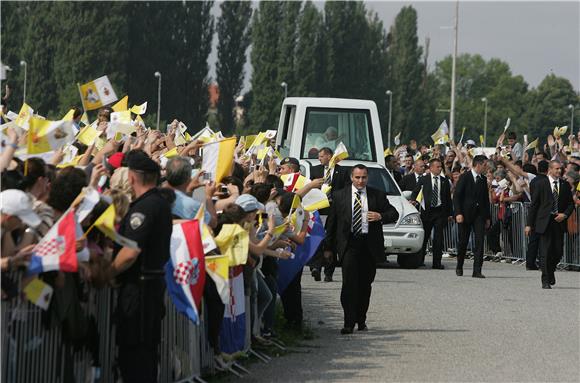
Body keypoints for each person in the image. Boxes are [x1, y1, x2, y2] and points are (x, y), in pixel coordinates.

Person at [107, 150, 173, 382]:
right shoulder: (160, 203)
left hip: (139, 290)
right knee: (145, 352)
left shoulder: (144, 208)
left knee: (135, 353)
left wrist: (109, 272)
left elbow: (130, 252)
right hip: (150, 286)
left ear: (132, 178)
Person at [324, 164, 398, 334]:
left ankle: (361, 319)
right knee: (349, 284)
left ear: (367, 177)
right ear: (352, 177)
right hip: (349, 244)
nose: (360, 181)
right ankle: (348, 322)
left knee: (365, 285)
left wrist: (381, 216)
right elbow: (332, 223)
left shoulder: (376, 195)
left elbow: (393, 213)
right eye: (357, 177)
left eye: (364, 177)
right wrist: (328, 247)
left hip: (369, 245)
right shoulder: (340, 195)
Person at [525, 160, 574, 289]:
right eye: (556, 169)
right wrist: (529, 224)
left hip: (559, 222)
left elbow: (570, 204)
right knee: (545, 251)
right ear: (550, 169)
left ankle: (551, 271)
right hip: (544, 222)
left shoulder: (565, 185)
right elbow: (534, 205)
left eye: (560, 169)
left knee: (558, 251)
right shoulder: (541, 184)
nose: (559, 171)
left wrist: (565, 214)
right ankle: (545, 279)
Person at [308, 147, 347, 282]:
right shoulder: (315, 170)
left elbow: (345, 189)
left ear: (329, 156)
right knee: (317, 237)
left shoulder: (342, 171)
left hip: (334, 209)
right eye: (319, 157)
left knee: (331, 239)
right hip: (318, 208)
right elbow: (310, 187)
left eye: (321, 156)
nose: (319, 159)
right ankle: (316, 267)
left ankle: (328, 272)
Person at [411, 158, 453, 269]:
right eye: (438, 167)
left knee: (438, 238)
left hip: (439, 212)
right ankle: (420, 260)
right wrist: (413, 200)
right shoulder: (424, 179)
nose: (440, 169)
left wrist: (450, 213)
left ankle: (437, 263)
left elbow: (448, 199)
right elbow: (415, 191)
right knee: (425, 237)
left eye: (441, 167)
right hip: (427, 212)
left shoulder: (444, 181)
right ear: (431, 167)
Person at [453, 155, 491, 278]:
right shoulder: (465, 177)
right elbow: (457, 196)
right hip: (465, 214)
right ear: (478, 165)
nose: (486, 167)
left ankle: (477, 270)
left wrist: (487, 217)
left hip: (479, 215)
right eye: (485, 165)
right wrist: (458, 213)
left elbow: (485, 200)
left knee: (480, 242)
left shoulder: (483, 179)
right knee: (463, 242)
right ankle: (459, 265)